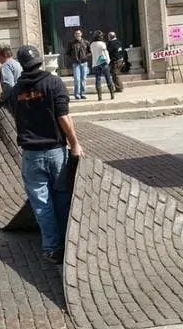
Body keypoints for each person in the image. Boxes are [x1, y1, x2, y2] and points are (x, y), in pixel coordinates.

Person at [8, 44, 84, 264]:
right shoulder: (54, 83)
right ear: (40, 60)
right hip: (55, 152)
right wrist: (75, 143)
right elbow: (63, 117)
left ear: (21, 64)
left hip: (31, 154)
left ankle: (52, 248)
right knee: (62, 198)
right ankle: (67, 243)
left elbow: (16, 116)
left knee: (41, 205)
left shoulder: (15, 91)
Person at [90, 30, 115, 101]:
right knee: (108, 78)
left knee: (98, 79)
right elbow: (105, 52)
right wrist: (108, 61)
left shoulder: (92, 44)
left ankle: (99, 96)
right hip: (103, 62)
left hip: (95, 63)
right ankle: (112, 94)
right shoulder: (102, 43)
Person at [66, 29, 91, 99]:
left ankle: (83, 93)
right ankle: (77, 94)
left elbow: (89, 52)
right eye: (76, 33)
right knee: (77, 79)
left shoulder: (86, 42)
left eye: (78, 33)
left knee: (83, 78)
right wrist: (73, 58)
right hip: (76, 63)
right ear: (74, 35)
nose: (77, 35)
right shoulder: (71, 43)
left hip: (84, 63)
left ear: (81, 34)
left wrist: (86, 57)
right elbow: (68, 53)